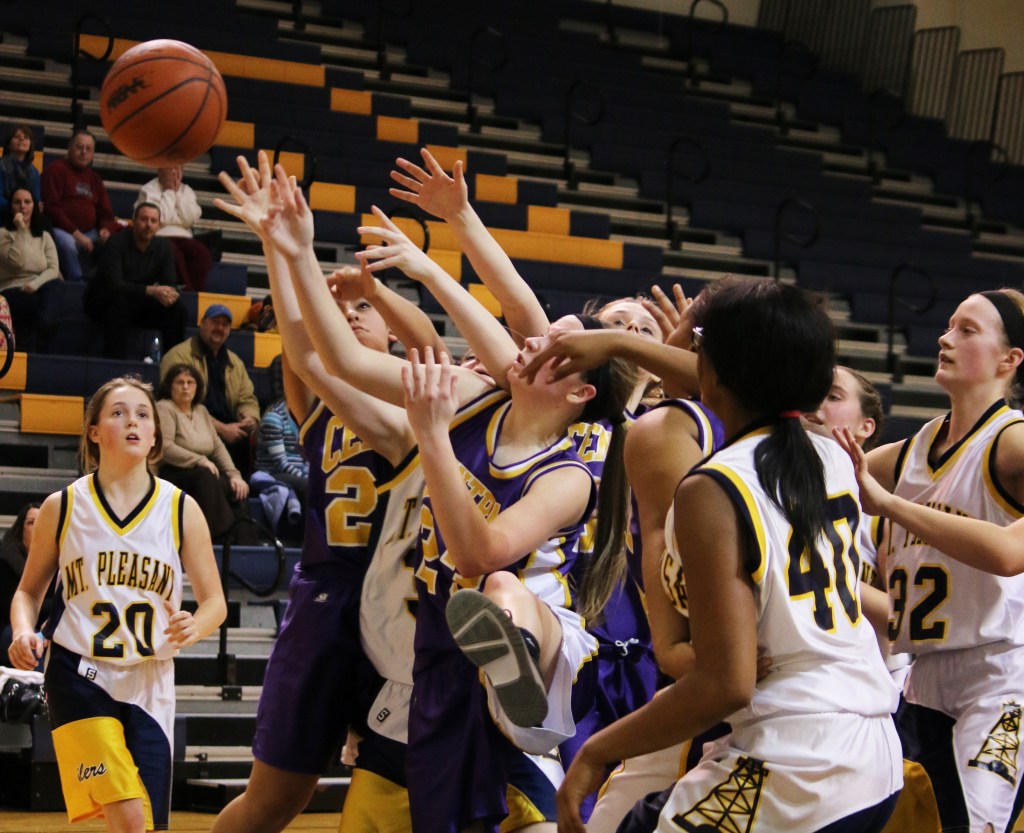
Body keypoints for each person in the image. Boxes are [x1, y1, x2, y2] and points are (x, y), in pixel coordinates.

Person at [262, 164, 635, 833]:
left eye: (558, 343)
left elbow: (477, 547)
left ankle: (514, 668)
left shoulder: (576, 463)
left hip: (544, 658)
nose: (538, 336)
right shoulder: (475, 397)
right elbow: (342, 360)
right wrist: (295, 253)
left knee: (501, 586)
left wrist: (432, 438)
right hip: (437, 653)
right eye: (546, 335)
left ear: (580, 391)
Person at [557, 278, 902, 833]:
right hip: (872, 754)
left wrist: (596, 752)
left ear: (714, 369)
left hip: (797, 759)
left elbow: (726, 684)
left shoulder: (713, 486)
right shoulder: (830, 456)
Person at [209, 151, 438, 833]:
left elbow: (427, 339)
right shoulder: (323, 400)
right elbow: (302, 345)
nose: (349, 314)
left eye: (360, 310)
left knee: (400, 792)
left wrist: (375, 287)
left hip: (404, 607)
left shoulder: (422, 395)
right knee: (278, 797)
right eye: (340, 308)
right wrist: (278, 250)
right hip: (327, 596)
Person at [7, 375, 226, 833]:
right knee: (128, 816)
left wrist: (196, 625)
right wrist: (25, 630)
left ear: (154, 436)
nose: (133, 421)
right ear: (94, 431)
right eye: (119, 412)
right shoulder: (62, 506)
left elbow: (215, 603)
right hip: (78, 674)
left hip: (151, 680)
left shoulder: (180, 508)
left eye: (143, 414)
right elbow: (29, 592)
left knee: (147, 825)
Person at [853, 289, 1024, 833]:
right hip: (923, 679)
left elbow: (1008, 553)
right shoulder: (912, 450)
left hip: (1002, 676)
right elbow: (812, 464)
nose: (945, 339)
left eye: (968, 330)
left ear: (1010, 359)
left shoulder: (1012, 442)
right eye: (948, 326)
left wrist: (890, 505)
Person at [156, 363, 252, 544]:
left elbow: (217, 447)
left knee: (236, 488)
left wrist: (234, 474)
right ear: (170, 386)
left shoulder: (201, 410)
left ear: (197, 387)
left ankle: (247, 545)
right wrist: (199, 460)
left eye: (190, 382)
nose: (185, 387)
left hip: (201, 471)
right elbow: (164, 447)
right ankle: (222, 538)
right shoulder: (165, 408)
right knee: (206, 476)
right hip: (172, 472)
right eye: (180, 382)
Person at [161, 303, 260, 478]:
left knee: (248, 440)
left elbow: (247, 398)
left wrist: (249, 417)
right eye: (215, 322)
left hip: (229, 426)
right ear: (202, 323)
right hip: (190, 425)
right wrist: (222, 429)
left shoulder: (235, 362)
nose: (219, 328)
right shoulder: (178, 355)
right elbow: (178, 405)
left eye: (225, 325)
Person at [85, 202, 185, 360]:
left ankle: (173, 365)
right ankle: (115, 364)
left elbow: (170, 284)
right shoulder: (116, 242)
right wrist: (151, 290)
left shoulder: (163, 247)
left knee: (177, 308)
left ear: (159, 225)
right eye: (144, 219)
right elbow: (115, 285)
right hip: (104, 301)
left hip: (137, 301)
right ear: (133, 221)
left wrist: (168, 294)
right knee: (120, 303)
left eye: (153, 221)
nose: (149, 225)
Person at [41, 129, 118, 281]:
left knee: (115, 242)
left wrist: (105, 229)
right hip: (62, 229)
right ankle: (77, 283)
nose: (84, 152)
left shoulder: (95, 178)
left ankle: (103, 284)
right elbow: (52, 208)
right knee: (68, 244)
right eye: (79, 147)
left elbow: (106, 212)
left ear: (92, 154)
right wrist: (76, 234)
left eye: (88, 149)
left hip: (90, 231)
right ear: (70, 147)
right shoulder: (55, 170)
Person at [0, 187, 60, 351]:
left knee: (55, 286)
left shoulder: (44, 236)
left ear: (34, 206)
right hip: (11, 289)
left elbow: (54, 269)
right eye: (17, 202)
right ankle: (43, 336)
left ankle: (44, 326)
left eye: (27, 202)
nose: (22, 206)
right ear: (11, 207)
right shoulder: (3, 234)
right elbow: (16, 263)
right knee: (38, 304)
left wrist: (33, 285)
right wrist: (20, 229)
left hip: (38, 287)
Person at [135, 165, 212, 291]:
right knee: (173, 253)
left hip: (184, 237)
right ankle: (188, 292)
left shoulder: (187, 190)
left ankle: (195, 293)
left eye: (178, 168)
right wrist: (170, 191)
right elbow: (160, 219)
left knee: (202, 254)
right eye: (170, 168)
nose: (174, 172)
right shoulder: (148, 189)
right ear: (160, 170)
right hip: (158, 237)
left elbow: (190, 219)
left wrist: (177, 195)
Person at [0, 502, 43, 662]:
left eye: (41, 522)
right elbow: (7, 604)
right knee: (29, 645)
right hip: (11, 627)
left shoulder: (61, 559)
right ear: (21, 529)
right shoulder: (5, 559)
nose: (36, 527)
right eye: (31, 522)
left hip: (47, 629)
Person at [0, 124, 42, 213]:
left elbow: (36, 200)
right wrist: (18, 208)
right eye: (16, 137)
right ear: (8, 144)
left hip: (26, 216)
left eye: (26, 137)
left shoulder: (34, 172)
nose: (22, 139)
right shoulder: (1, 166)